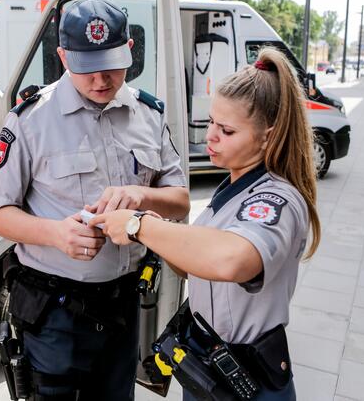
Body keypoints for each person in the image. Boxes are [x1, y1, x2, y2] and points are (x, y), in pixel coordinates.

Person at [0, 0, 190, 400]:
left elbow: (180, 199)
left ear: (130, 50)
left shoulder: (149, 114)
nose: (100, 80)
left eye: (111, 65)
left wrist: (139, 193)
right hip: (54, 311)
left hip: (123, 304)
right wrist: (56, 234)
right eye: (86, 68)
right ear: (62, 56)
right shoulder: (31, 120)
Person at [91, 47, 321, 400]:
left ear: (268, 136)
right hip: (209, 369)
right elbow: (196, 268)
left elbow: (232, 261)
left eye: (227, 130)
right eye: (212, 121)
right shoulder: (234, 185)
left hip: (247, 377)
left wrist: (140, 226)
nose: (211, 136)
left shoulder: (276, 199)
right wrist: (155, 228)